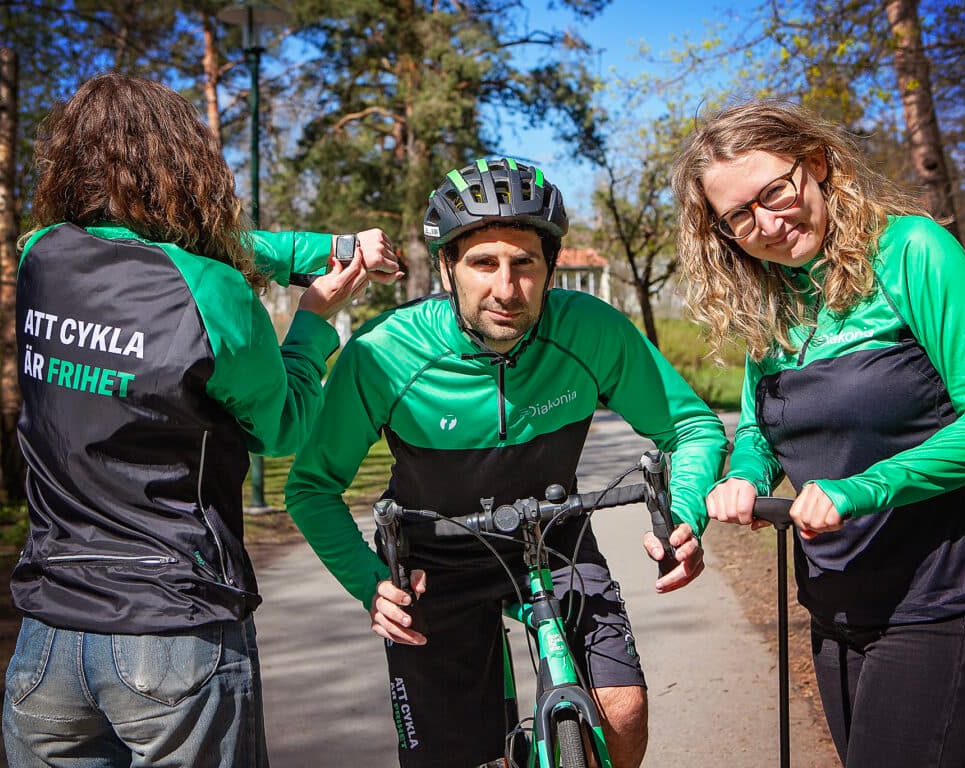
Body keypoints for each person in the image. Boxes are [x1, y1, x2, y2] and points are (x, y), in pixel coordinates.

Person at [3, 73, 401, 768]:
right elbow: (285, 428)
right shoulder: (212, 291)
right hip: (173, 633)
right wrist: (312, 322)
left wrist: (323, 246)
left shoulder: (39, 254)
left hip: (45, 642)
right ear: (182, 165)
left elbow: (206, 247)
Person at [285, 156, 728, 767]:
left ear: (549, 269)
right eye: (483, 263)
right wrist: (370, 584)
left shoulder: (591, 329)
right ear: (447, 267)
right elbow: (311, 488)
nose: (506, 288)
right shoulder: (383, 354)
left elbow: (692, 425)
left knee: (622, 712)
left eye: (525, 264)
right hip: (433, 559)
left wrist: (682, 513)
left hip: (557, 538)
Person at [671, 99, 965, 767]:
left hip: (940, 599)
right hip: (834, 609)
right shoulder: (776, 297)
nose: (767, 222)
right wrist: (743, 476)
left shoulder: (911, 250)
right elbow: (764, 426)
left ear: (816, 164)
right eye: (739, 215)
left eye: (775, 191)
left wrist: (864, 488)